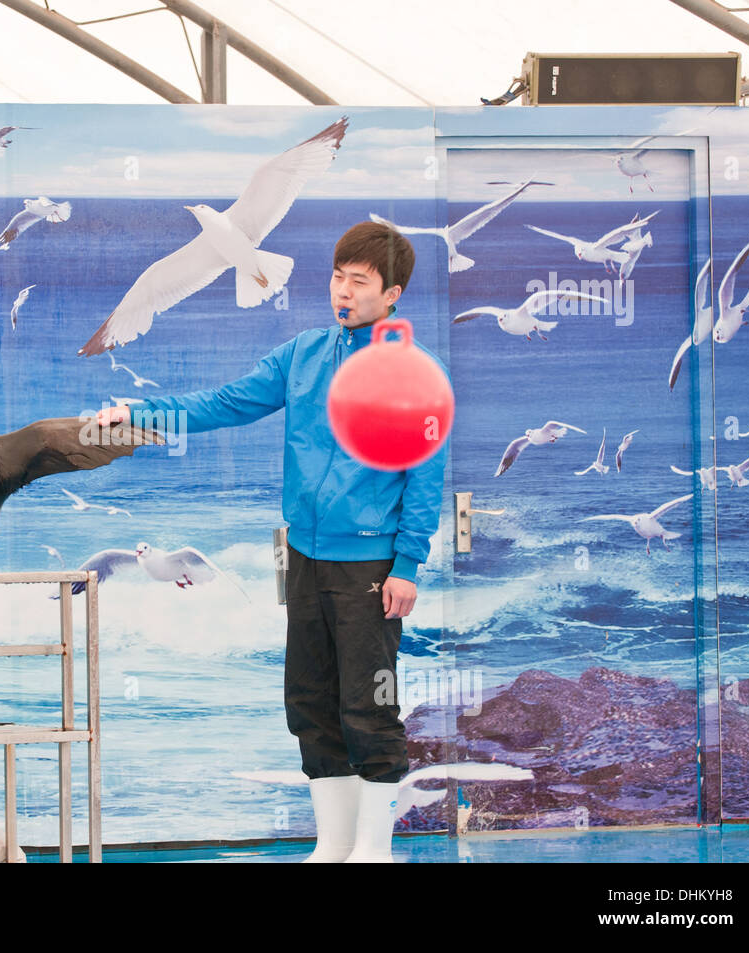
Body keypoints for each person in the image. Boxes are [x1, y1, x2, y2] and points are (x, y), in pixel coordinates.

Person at [94, 221, 449, 863]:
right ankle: (333, 846)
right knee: (311, 703)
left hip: (370, 560)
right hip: (303, 557)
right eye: (338, 276)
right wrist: (138, 413)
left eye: (359, 282)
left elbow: (425, 477)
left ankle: (375, 852)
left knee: (368, 705)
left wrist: (407, 564)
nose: (343, 291)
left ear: (391, 293)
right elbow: (225, 403)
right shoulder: (302, 354)